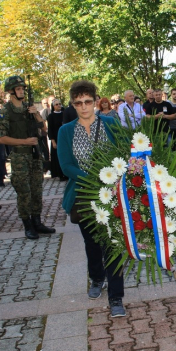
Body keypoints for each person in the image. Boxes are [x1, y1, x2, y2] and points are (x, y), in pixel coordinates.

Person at [58, 80, 126, 318]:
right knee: (92, 243)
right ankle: (97, 278)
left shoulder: (110, 123)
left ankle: (117, 297)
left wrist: (110, 177)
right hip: (84, 195)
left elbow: (122, 154)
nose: (84, 106)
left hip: (112, 192)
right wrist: (91, 177)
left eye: (88, 101)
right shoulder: (65, 130)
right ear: (73, 104)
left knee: (113, 244)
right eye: (78, 102)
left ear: (96, 101)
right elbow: (66, 165)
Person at [0, 75, 56, 239]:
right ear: (11, 91)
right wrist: (24, 141)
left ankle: (37, 222)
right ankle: (27, 225)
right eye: (18, 88)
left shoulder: (29, 108)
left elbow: (43, 129)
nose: (21, 91)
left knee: (37, 191)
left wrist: (36, 114)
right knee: (24, 192)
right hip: (19, 157)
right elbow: (0, 138)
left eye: (23, 88)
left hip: (35, 156)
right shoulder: (6, 111)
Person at [47, 99, 67, 181]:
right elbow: (50, 129)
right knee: (58, 157)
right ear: (53, 106)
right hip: (56, 138)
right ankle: (60, 174)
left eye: (59, 104)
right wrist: (53, 141)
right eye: (56, 104)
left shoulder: (64, 114)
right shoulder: (51, 116)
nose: (59, 105)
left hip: (64, 138)